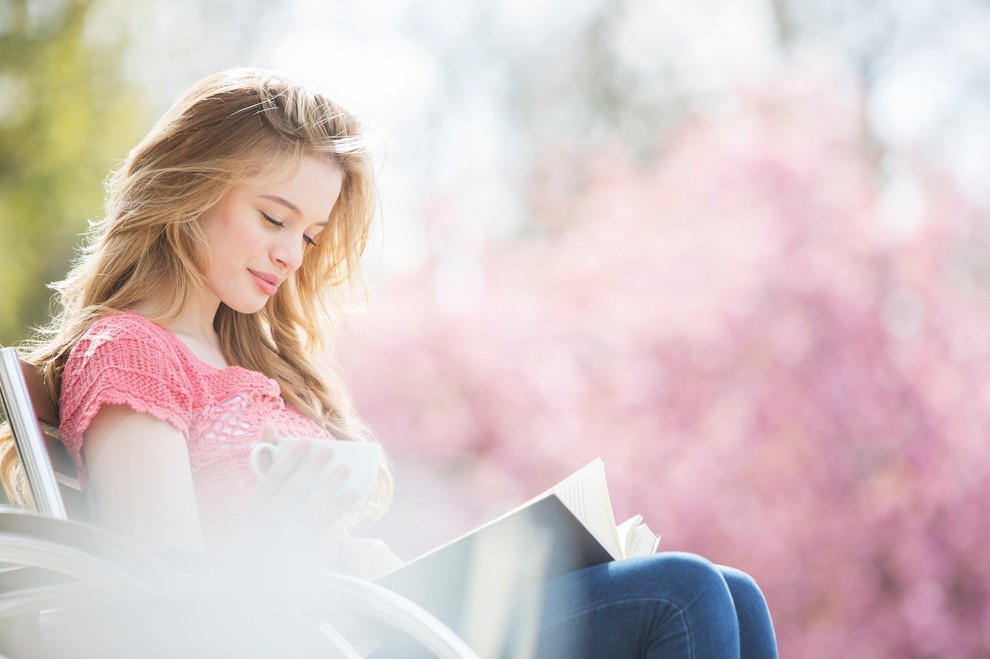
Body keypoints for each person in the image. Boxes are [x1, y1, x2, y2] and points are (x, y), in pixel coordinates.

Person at [0, 68, 777, 657]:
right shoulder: (132, 353)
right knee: (684, 591)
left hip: (368, 616)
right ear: (187, 191)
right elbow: (161, 605)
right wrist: (278, 533)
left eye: (307, 235)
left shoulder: (249, 356)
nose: (288, 254)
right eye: (274, 217)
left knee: (732, 591)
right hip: (324, 635)